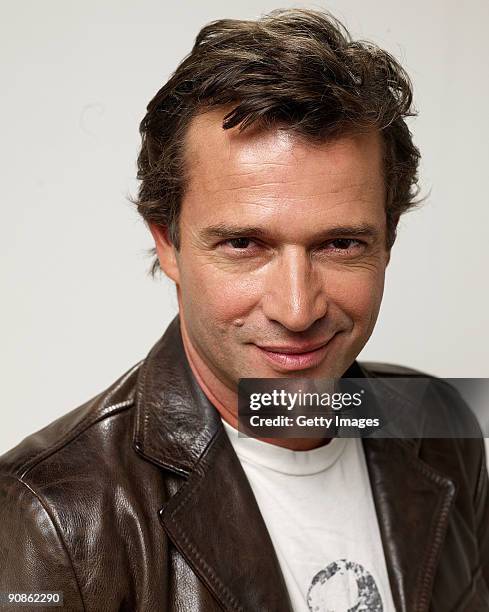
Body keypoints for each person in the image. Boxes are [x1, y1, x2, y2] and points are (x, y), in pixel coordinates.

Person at [0, 8, 488, 612]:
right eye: (244, 244)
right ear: (168, 244)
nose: (297, 307)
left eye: (340, 244)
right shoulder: (48, 514)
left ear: (388, 240)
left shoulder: (437, 422)